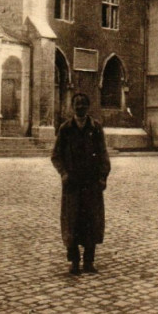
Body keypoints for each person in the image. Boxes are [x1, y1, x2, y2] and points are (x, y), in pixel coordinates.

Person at [51, 92, 111, 275]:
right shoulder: (65, 129)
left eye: (83, 104)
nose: (80, 107)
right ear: (72, 107)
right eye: (77, 104)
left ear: (88, 107)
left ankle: (89, 261)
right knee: (72, 222)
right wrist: (63, 173)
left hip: (92, 183)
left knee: (91, 221)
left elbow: (103, 155)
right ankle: (74, 262)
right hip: (72, 184)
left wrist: (103, 177)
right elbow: (56, 156)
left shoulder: (96, 128)